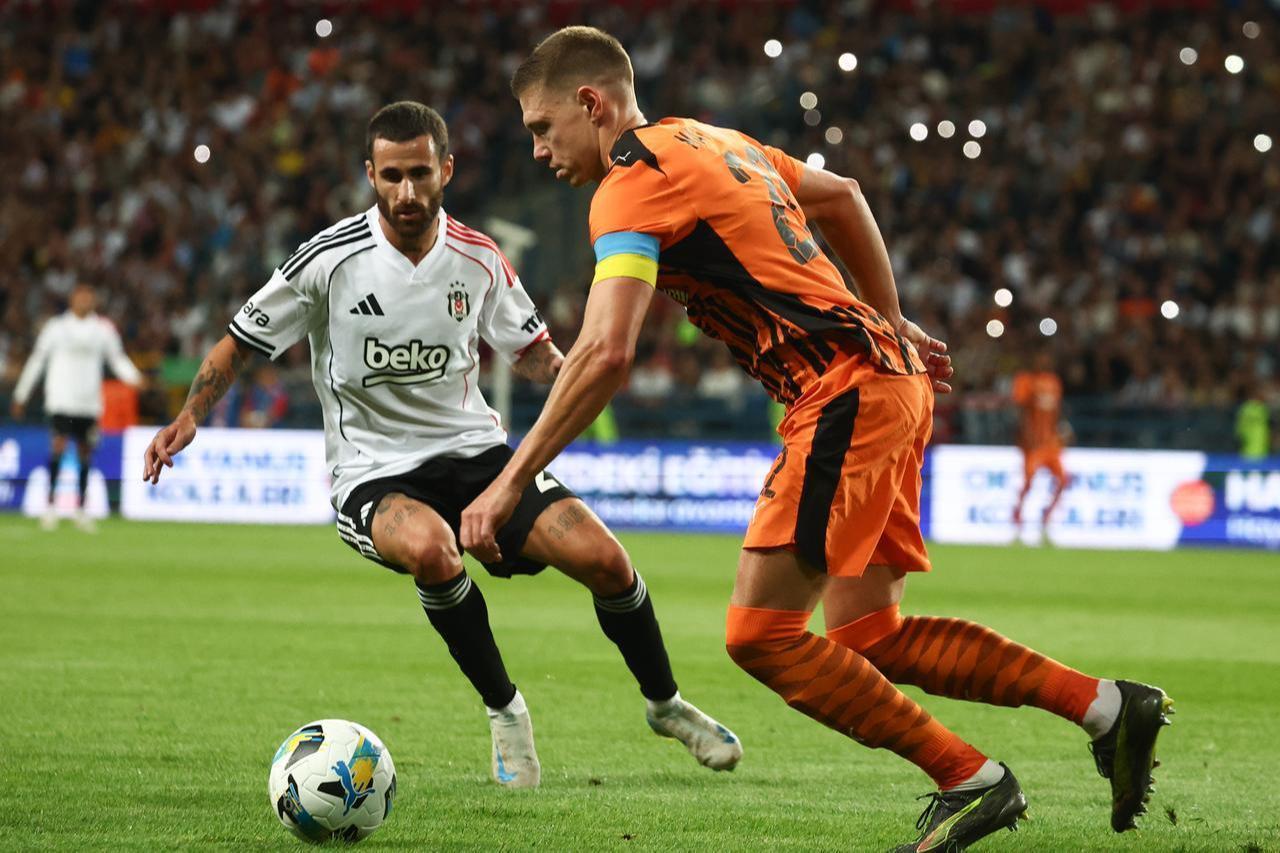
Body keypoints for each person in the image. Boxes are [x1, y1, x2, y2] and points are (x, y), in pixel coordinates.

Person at [460, 27, 1172, 850]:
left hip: (842, 395)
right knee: (873, 635)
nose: (540, 149)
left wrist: (510, 480)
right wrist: (890, 317)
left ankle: (971, 778)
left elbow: (606, 350)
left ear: (592, 104)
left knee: (761, 634)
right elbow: (846, 197)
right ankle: (1108, 707)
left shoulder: (628, 186)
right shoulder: (714, 139)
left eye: (542, 127)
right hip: (885, 382)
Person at [141, 101, 740, 790]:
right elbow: (240, 341)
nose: (406, 192)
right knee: (431, 548)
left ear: (446, 170)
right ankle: (505, 711)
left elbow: (535, 353)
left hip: (476, 453)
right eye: (390, 175)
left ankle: (665, 705)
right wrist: (190, 415)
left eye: (420, 173)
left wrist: (578, 369)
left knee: (605, 558)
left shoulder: (479, 259)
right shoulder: (327, 262)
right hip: (372, 472)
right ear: (370, 174)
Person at [11, 283, 144, 532]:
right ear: (72, 300)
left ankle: (81, 509)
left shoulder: (102, 330)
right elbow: (37, 360)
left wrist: (135, 378)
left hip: (89, 402)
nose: (84, 301)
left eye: (88, 297)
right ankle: (50, 506)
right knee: (59, 446)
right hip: (61, 399)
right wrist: (21, 394)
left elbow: (116, 358)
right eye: (80, 297)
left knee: (85, 452)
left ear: (93, 301)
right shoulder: (56, 328)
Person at [1010, 352, 1071, 537]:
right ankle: (1018, 515)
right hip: (1033, 445)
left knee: (1063, 480)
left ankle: (1047, 516)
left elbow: (1057, 411)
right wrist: (1027, 437)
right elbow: (1021, 411)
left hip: (1051, 443)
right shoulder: (1025, 380)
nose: (1043, 360)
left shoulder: (1054, 381)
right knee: (1028, 482)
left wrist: (1063, 429)